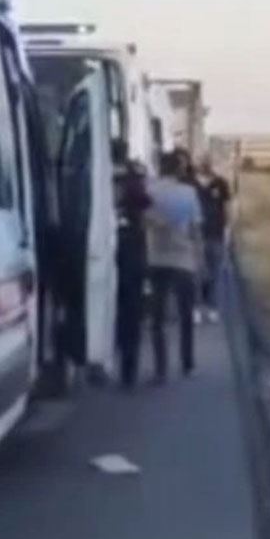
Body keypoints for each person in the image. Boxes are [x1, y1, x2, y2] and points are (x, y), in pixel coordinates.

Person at [145, 151, 203, 379]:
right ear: (179, 170)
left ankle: (160, 368)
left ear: (160, 168)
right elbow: (195, 229)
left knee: (157, 317)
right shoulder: (188, 193)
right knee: (185, 314)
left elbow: (144, 221)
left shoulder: (150, 190)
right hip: (183, 258)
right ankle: (187, 362)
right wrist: (200, 259)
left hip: (157, 257)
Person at [114, 147, 152, 389]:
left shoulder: (106, 180)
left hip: (113, 256)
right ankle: (129, 371)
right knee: (131, 318)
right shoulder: (135, 183)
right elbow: (147, 204)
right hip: (134, 258)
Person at [196, 158, 233, 319]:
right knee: (197, 272)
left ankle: (212, 306)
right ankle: (197, 306)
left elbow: (227, 207)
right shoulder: (192, 184)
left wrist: (228, 229)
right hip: (197, 234)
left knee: (214, 271)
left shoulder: (221, 183)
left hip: (216, 232)